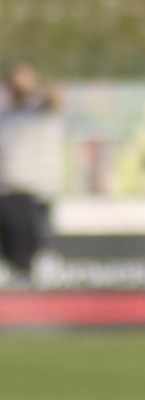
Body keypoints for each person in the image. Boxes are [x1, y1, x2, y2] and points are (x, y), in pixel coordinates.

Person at [0, 63, 64, 274]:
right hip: (10, 194)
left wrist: (30, 88)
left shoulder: (43, 113)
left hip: (38, 192)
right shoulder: (6, 117)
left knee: (32, 251)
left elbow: (54, 97)